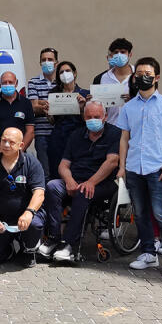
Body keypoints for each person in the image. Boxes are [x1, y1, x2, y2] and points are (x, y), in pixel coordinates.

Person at [116, 57, 162, 277]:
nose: (142, 77)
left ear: (156, 77)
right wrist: (122, 167)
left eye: (147, 73)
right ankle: (148, 253)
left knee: (161, 213)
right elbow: (124, 139)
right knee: (141, 213)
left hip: (158, 168)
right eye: (138, 74)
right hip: (135, 168)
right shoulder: (129, 107)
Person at [38, 101, 120, 264]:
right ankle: (53, 238)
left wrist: (90, 182)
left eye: (96, 117)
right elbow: (64, 164)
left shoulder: (114, 134)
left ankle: (69, 244)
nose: (92, 120)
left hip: (102, 183)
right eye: (89, 117)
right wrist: (69, 181)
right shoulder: (76, 135)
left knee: (84, 191)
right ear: (83, 117)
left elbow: (112, 162)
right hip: (75, 180)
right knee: (52, 187)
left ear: (105, 117)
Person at [0, 128, 45, 267]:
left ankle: (29, 250)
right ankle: (11, 248)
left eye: (11, 142)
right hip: (3, 221)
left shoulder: (32, 164)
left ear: (21, 145)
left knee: (35, 224)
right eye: (4, 140)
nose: (6, 145)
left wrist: (29, 213)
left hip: (27, 218)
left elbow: (39, 193)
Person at [44, 60, 90, 171]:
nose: (65, 74)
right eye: (61, 72)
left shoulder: (84, 93)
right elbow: (53, 121)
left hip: (79, 136)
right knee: (56, 169)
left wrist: (83, 107)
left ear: (74, 73)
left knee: (78, 169)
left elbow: (88, 121)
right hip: (59, 137)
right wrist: (48, 114)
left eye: (68, 71)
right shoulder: (54, 94)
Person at [0, 72, 34, 163]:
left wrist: (19, 151)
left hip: (18, 156)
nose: (7, 85)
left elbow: (30, 131)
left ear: (16, 83)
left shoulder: (26, 103)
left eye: (10, 82)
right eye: (4, 82)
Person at [25, 47, 59, 170]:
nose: (47, 62)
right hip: (41, 134)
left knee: (59, 167)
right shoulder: (33, 82)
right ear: (40, 63)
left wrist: (42, 104)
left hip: (60, 132)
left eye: (50, 59)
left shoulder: (61, 83)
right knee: (45, 169)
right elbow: (33, 107)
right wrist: (53, 106)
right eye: (44, 60)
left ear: (56, 63)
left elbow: (67, 103)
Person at [95, 38, 134, 125]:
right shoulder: (102, 78)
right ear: (111, 55)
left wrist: (133, 99)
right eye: (116, 52)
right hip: (111, 127)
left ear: (130, 54)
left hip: (133, 127)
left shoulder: (138, 75)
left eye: (123, 52)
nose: (119, 55)